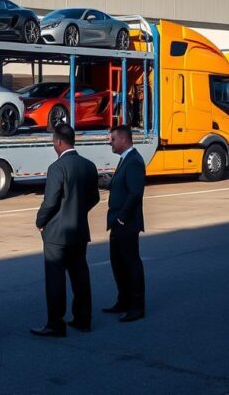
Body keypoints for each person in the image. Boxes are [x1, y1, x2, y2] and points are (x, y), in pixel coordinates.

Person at [31, 123, 100, 337]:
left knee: (55, 279)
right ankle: (83, 319)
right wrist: (78, 211)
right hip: (79, 230)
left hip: (57, 233)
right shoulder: (89, 165)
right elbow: (95, 197)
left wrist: (40, 221)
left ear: (59, 142)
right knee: (80, 277)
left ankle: (55, 324)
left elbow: (50, 201)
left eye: (54, 141)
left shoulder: (57, 168)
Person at [102, 124, 147, 322]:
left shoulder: (134, 161)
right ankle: (123, 300)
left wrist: (121, 218)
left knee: (130, 264)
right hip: (117, 222)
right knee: (118, 264)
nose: (110, 143)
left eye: (112, 139)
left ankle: (136, 306)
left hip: (126, 223)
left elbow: (135, 192)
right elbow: (119, 185)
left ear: (123, 139)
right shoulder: (125, 159)